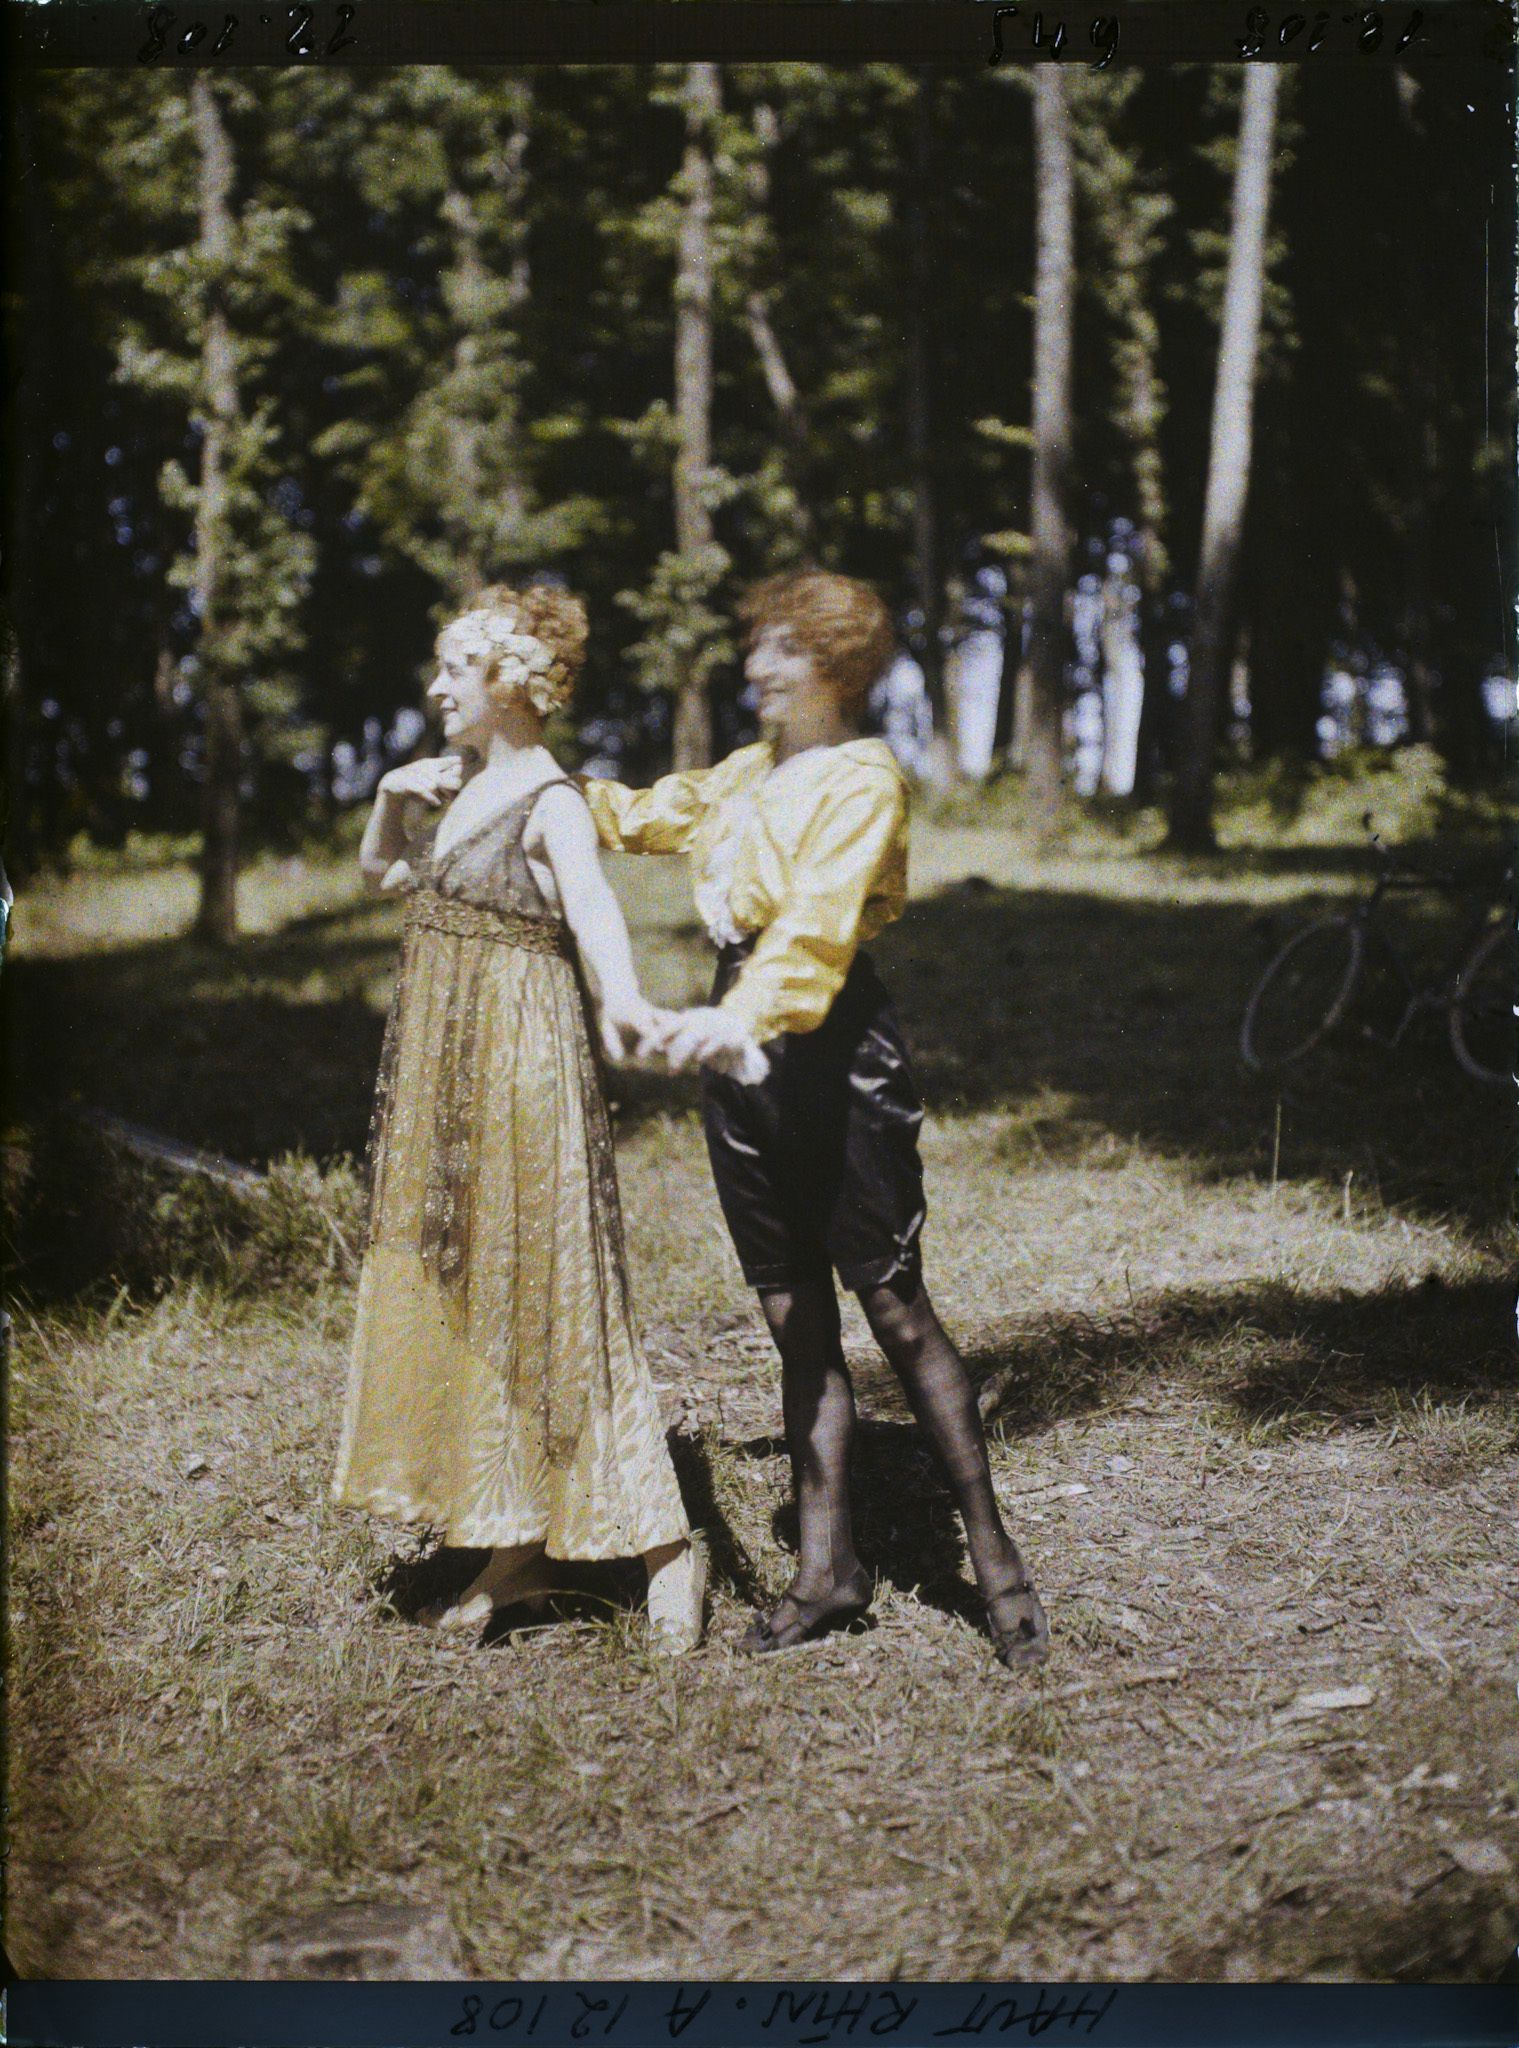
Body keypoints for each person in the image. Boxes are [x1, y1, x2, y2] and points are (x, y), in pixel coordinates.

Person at [580, 570, 1050, 1668]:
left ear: (835, 662)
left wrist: (737, 1020)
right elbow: (643, 812)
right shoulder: (749, 773)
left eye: (780, 649)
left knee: (893, 1308)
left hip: (832, 1044)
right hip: (740, 1050)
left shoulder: (861, 777)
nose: (755, 666)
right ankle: (827, 1572)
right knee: (794, 1316)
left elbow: (816, 931)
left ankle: (994, 1559)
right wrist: (532, 788)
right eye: (755, 647)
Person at [331, 584, 706, 1654]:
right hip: (447, 1074)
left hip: (525, 1065)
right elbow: (385, 874)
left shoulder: (548, 798)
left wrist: (626, 1002)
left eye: (454, 669)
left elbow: (592, 908)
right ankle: (519, 1536)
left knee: (556, 1285)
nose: (436, 688)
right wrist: (391, 796)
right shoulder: (459, 789)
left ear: (508, 683)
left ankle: (666, 1547)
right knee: (477, 1284)